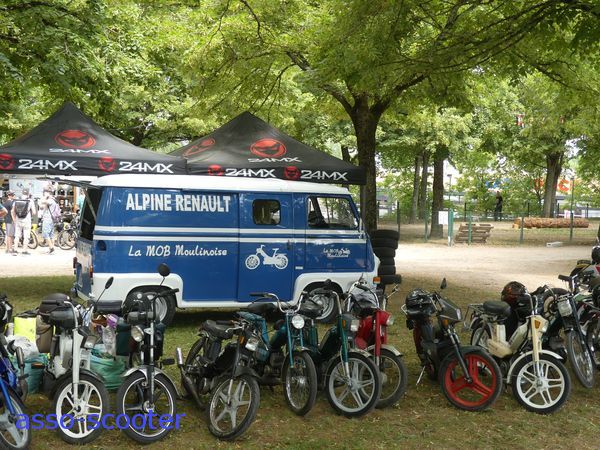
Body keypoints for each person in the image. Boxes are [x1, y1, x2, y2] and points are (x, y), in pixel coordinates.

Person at [11, 189, 36, 255]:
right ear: (28, 193)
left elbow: (12, 211)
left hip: (18, 220)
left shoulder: (17, 200)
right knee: (26, 236)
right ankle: (24, 251)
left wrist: (14, 219)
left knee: (17, 235)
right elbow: (34, 212)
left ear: (22, 193)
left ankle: (15, 250)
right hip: (27, 220)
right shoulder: (30, 201)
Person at [39, 189, 59, 254]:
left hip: (48, 219)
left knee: (46, 233)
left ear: (49, 193)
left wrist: (45, 197)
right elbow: (42, 207)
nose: (44, 194)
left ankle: (51, 248)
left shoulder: (50, 200)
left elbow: (42, 202)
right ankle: (51, 249)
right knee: (51, 234)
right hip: (52, 219)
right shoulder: (54, 200)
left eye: (45, 193)